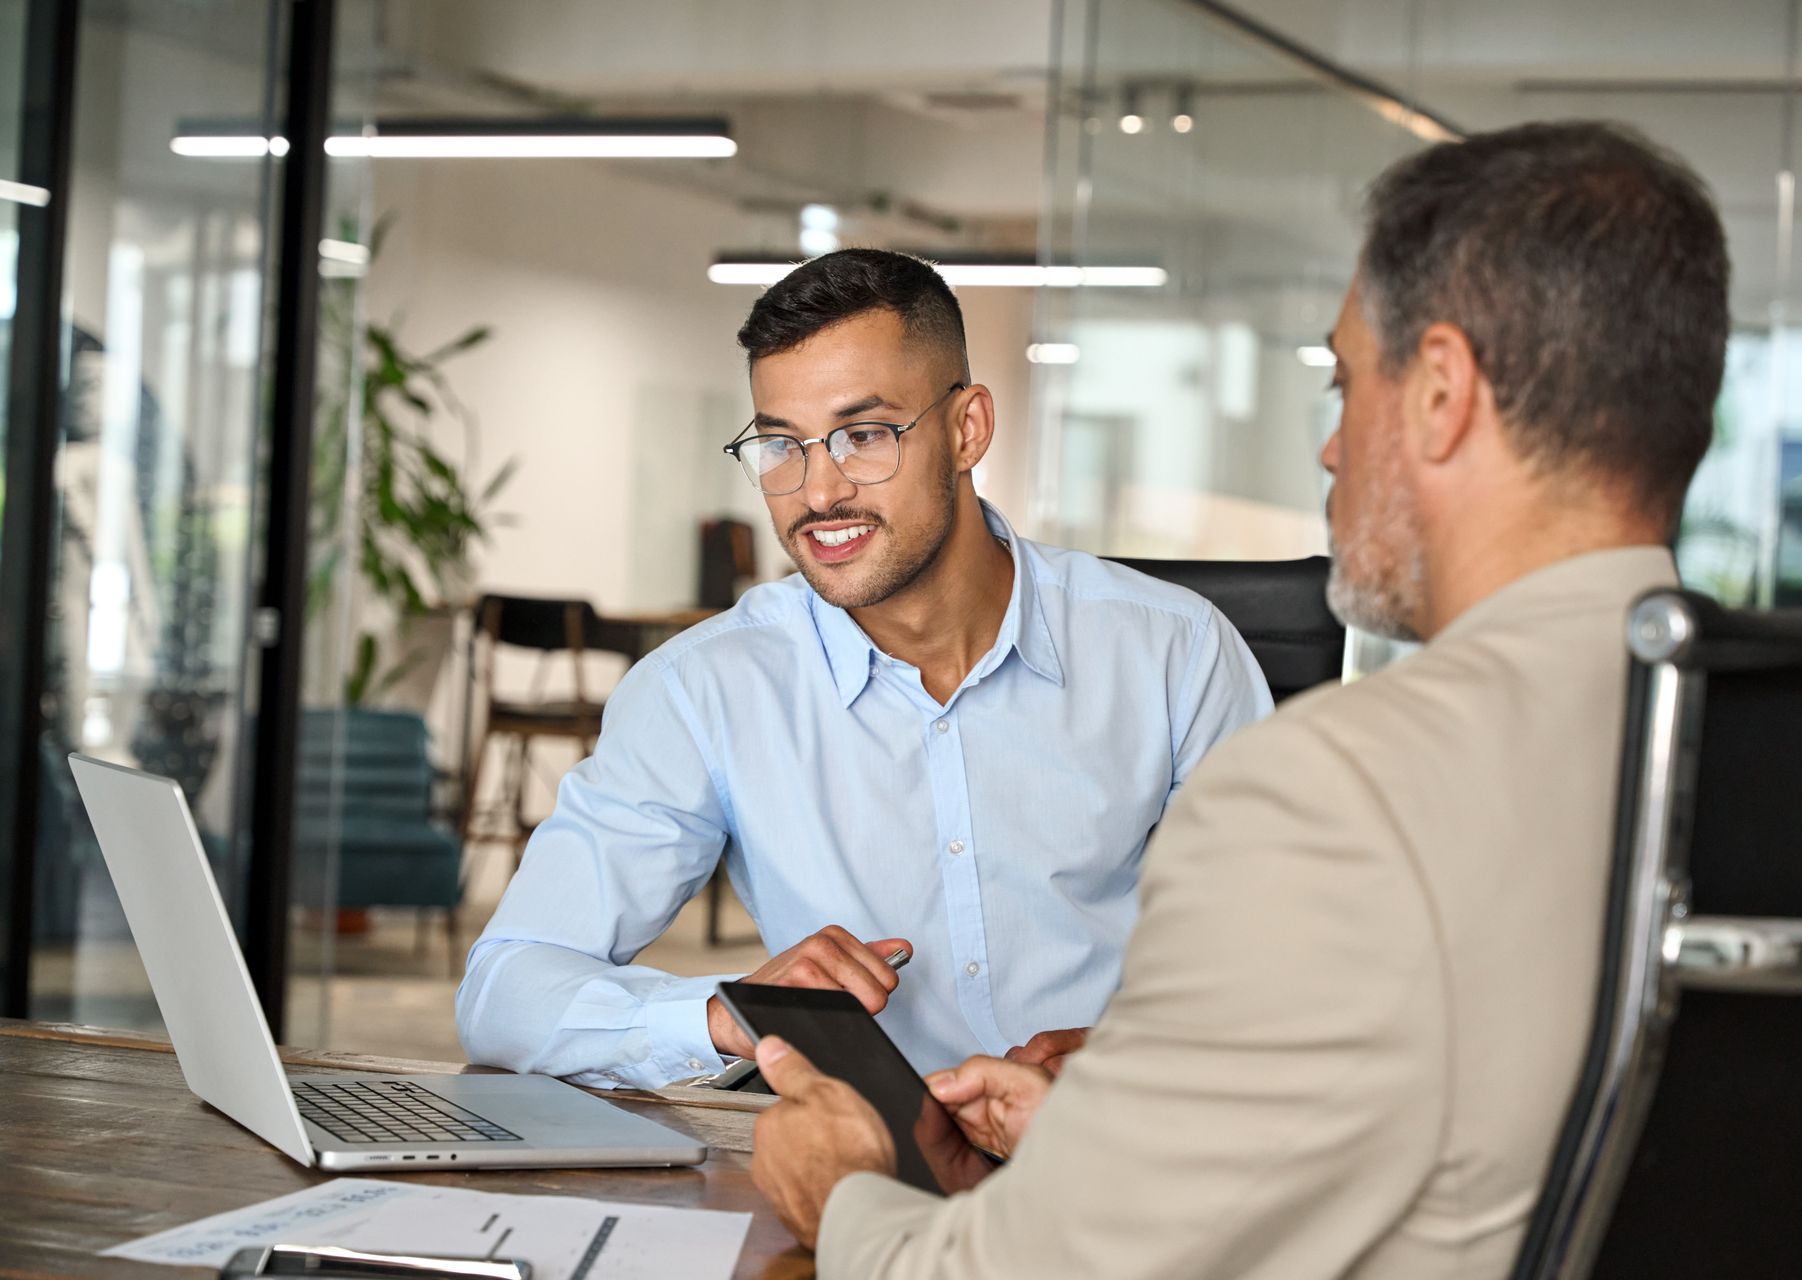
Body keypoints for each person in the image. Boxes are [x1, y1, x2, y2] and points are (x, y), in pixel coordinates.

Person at [748, 119, 1731, 1278]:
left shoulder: (1332, 788)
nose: (1328, 449)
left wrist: (848, 1193)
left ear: (1442, 395)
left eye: (1342, 378)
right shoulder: (1778, 752)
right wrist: (1108, 1133)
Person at [457, 249, 1272, 1089]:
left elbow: (1285, 968)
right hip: (852, 1172)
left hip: (1118, 1154)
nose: (817, 492)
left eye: (864, 435)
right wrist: (724, 1013)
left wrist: (1142, 1063)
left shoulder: (1176, 655)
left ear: (968, 429)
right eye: (780, 445)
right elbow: (505, 989)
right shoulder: (706, 690)